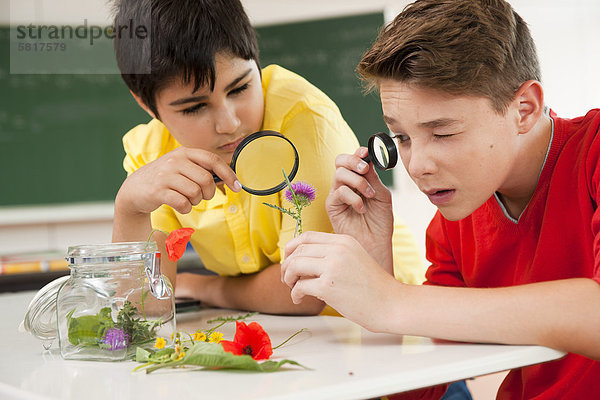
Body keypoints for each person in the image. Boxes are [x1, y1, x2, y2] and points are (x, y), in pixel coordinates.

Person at [280, 0, 600, 398]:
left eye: (443, 133)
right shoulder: (454, 221)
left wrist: (391, 299)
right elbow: (420, 391)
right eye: (402, 138)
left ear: (524, 109)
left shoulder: (594, 151)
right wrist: (376, 263)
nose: (416, 166)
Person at [110, 0, 424, 315]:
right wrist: (128, 208)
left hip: (387, 322)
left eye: (240, 88)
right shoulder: (149, 151)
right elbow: (144, 310)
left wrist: (205, 286)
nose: (229, 123)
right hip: (283, 330)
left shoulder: (304, 120)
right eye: (194, 107)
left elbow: (304, 292)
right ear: (147, 105)